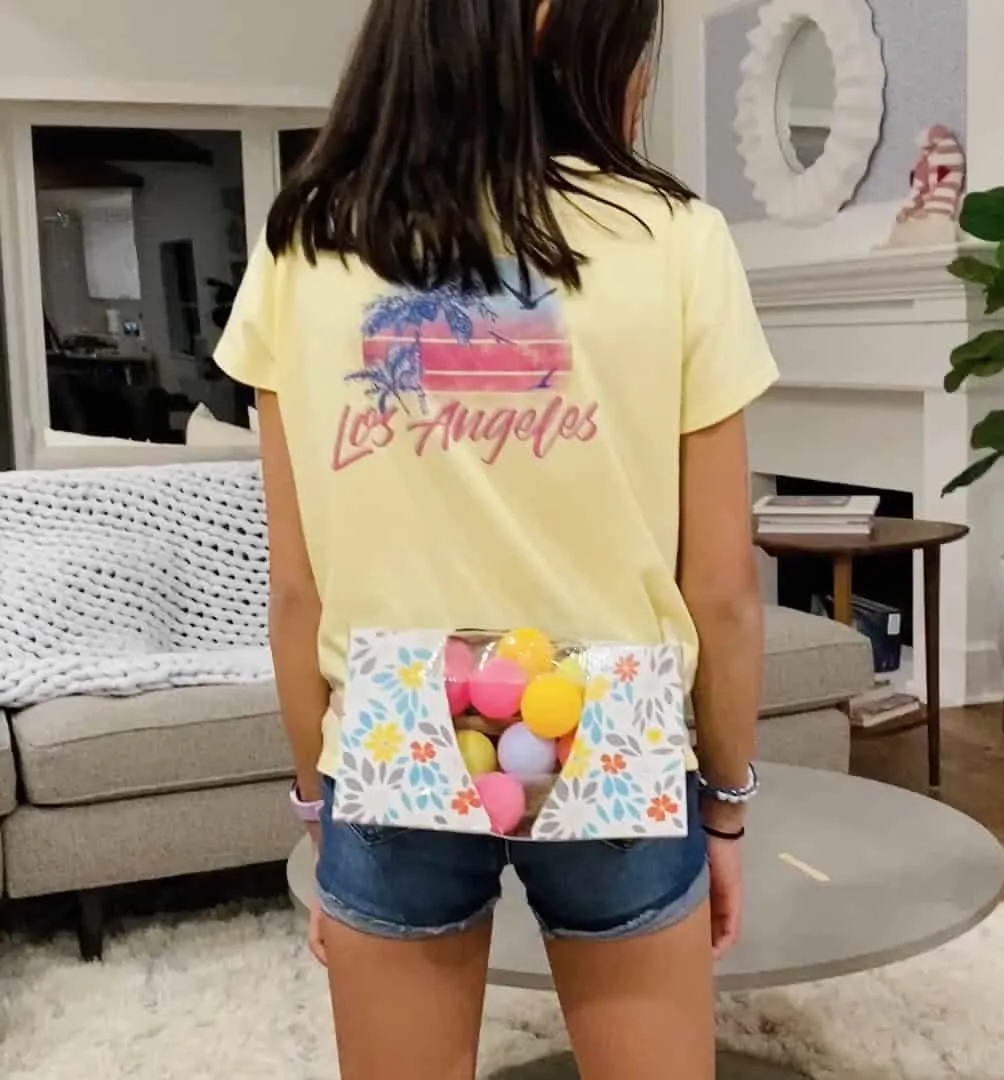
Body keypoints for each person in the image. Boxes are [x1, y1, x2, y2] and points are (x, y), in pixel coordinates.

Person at [215, 1, 778, 1077]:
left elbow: (296, 591)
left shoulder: (305, 242)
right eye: (633, 38)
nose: (641, 69)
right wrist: (727, 808)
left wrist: (315, 803)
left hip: (390, 727)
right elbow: (722, 590)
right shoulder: (677, 239)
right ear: (557, 24)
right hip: (615, 723)